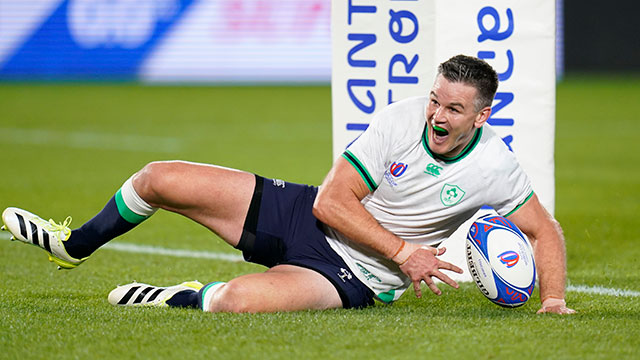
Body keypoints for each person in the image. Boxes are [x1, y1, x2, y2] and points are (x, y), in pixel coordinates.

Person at [1, 55, 575, 314]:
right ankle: (74, 247)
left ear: (481, 115)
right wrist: (407, 253)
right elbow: (330, 201)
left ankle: (167, 295)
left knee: (235, 302)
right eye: (434, 99)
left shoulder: (497, 167)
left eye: (453, 107)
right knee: (158, 177)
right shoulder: (401, 119)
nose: (437, 115)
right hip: (303, 214)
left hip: (356, 277)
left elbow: (543, 231)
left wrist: (552, 301)